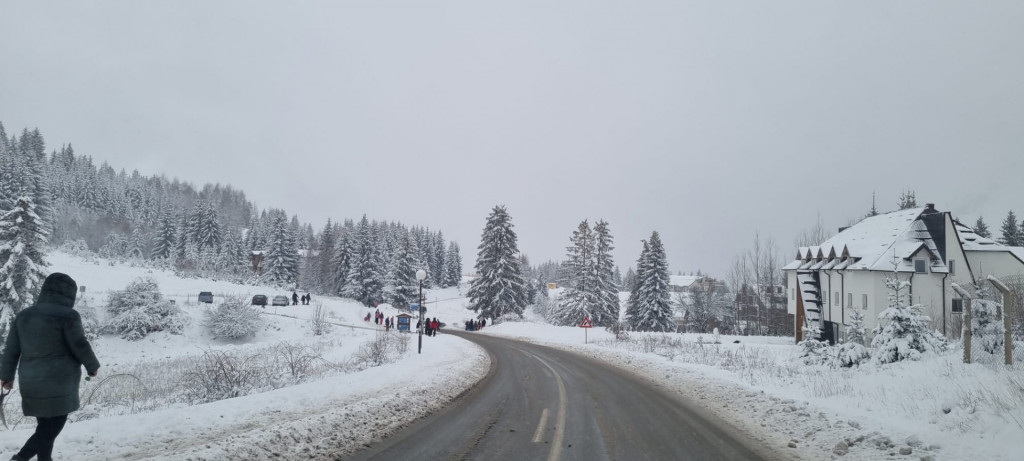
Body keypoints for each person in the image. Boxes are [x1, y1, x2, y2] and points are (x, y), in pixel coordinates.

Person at [1, 273, 100, 461]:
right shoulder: (69, 316)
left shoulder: (24, 315)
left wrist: (7, 376)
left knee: (44, 425)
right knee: (53, 425)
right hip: (59, 381)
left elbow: (11, 349)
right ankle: (20, 458)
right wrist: (91, 365)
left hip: (31, 381)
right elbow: (79, 343)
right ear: (70, 294)